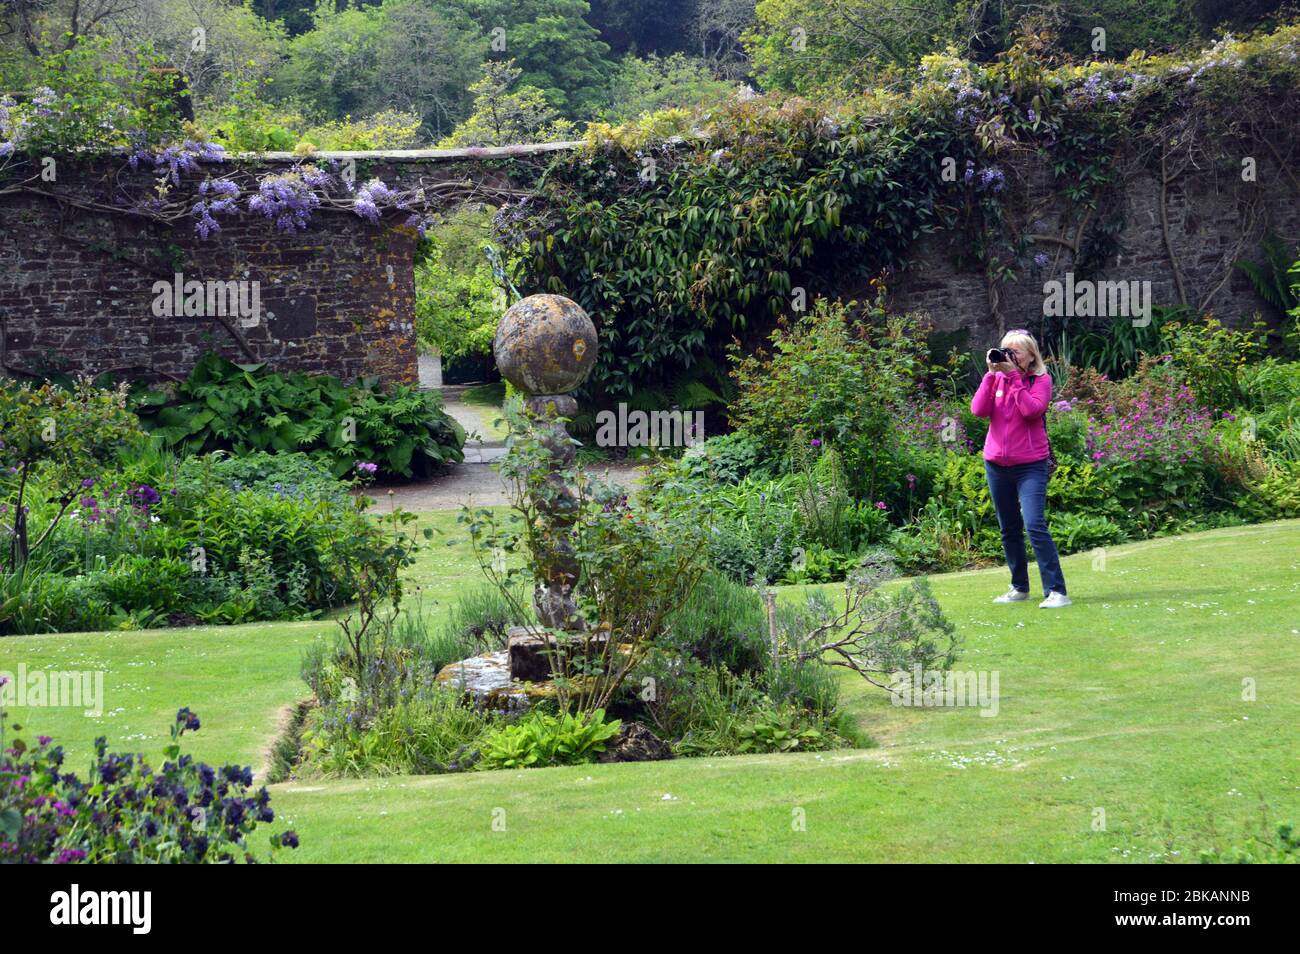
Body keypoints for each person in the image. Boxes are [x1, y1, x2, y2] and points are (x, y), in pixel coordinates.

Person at [970, 329, 1071, 608]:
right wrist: (991, 375)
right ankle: (1019, 587)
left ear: (1030, 356)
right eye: (1006, 350)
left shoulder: (1041, 380)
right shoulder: (997, 380)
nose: (1009, 356)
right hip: (996, 464)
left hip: (1030, 465)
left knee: (1034, 523)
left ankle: (1057, 591)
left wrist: (1013, 377)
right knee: (1009, 528)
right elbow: (978, 410)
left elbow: (1031, 410)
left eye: (1015, 352)